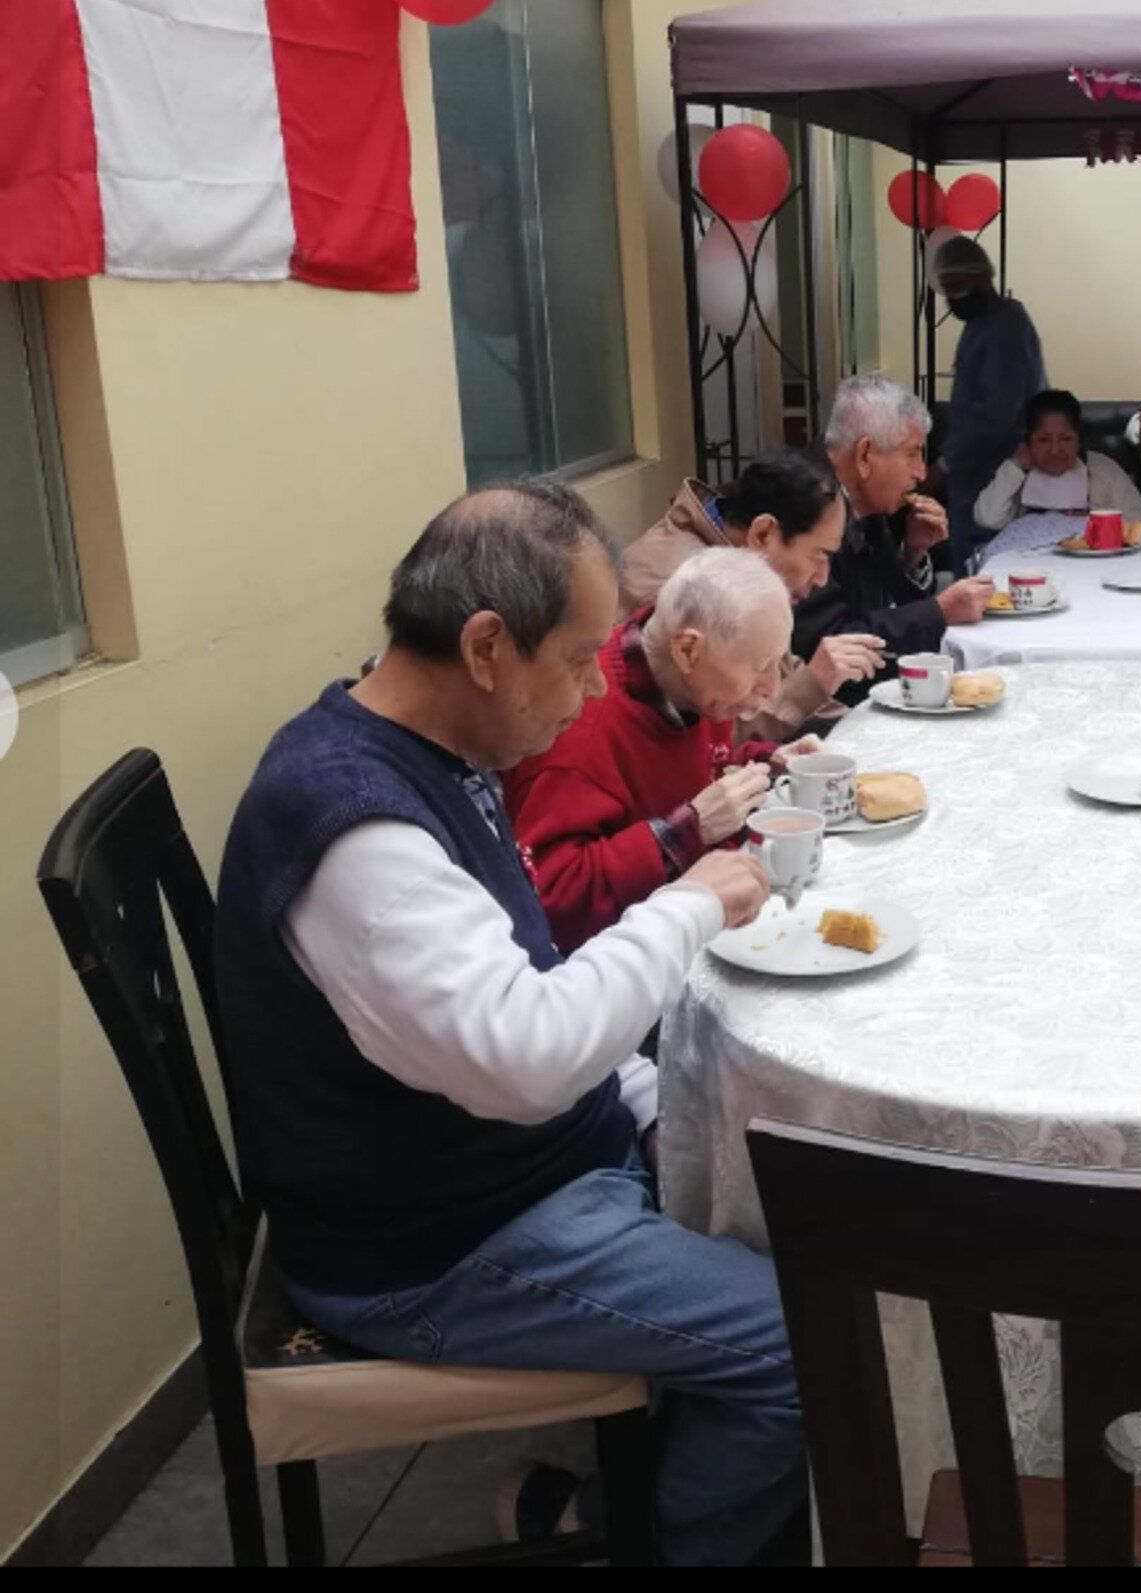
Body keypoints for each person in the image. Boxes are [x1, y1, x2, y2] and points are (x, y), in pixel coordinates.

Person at [214, 482, 804, 1565]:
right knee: (803, 1335)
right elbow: (526, 1059)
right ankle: (662, 1536)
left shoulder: (434, 751)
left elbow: (527, 977)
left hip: (504, 1169)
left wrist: (652, 1097)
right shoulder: (359, 832)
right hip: (427, 1247)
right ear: (487, 645)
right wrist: (687, 903)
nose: (591, 693)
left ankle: (660, 1484)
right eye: (580, 660)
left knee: (792, 1206)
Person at [506, 549, 815, 954]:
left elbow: (700, 766)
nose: (772, 688)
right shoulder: (579, 727)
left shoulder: (694, 689)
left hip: (697, 918)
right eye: (761, 667)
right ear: (687, 650)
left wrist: (763, 763)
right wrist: (691, 828)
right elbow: (551, 896)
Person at [619, 454, 886, 737]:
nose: (822, 577)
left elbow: (776, 672)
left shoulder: (739, 565)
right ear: (762, 534)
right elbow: (711, 729)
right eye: (819, 556)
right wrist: (812, 685)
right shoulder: (680, 587)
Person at [791, 375, 995, 686]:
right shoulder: (805, 503)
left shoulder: (867, 497)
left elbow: (887, 603)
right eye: (912, 453)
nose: (921, 472)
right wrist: (939, 611)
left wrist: (913, 552)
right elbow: (832, 646)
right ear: (864, 455)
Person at [933, 236, 1049, 568]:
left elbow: (996, 415)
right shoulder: (981, 324)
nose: (951, 297)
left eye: (956, 285)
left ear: (981, 278)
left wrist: (944, 465)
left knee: (986, 571)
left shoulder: (1005, 326)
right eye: (946, 288)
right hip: (973, 472)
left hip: (992, 472)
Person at [972, 389, 1141, 563]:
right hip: (1028, 562)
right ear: (1028, 441)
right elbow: (988, 519)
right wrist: (1015, 467)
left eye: (1066, 439)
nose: (1055, 450)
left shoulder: (1102, 469)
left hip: (1092, 562)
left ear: (1079, 439)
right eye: (1043, 440)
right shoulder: (1018, 472)